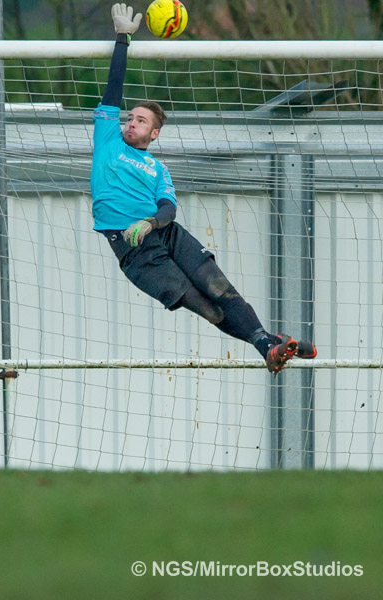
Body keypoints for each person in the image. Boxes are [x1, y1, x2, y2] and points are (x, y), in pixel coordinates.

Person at [92, 4, 316, 374]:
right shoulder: (108, 140)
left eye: (140, 120)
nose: (130, 123)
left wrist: (151, 222)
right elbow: (114, 87)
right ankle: (271, 341)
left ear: (154, 133)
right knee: (208, 308)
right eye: (129, 118)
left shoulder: (158, 168)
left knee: (220, 288)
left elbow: (168, 208)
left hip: (164, 232)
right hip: (133, 248)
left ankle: (267, 346)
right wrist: (122, 39)